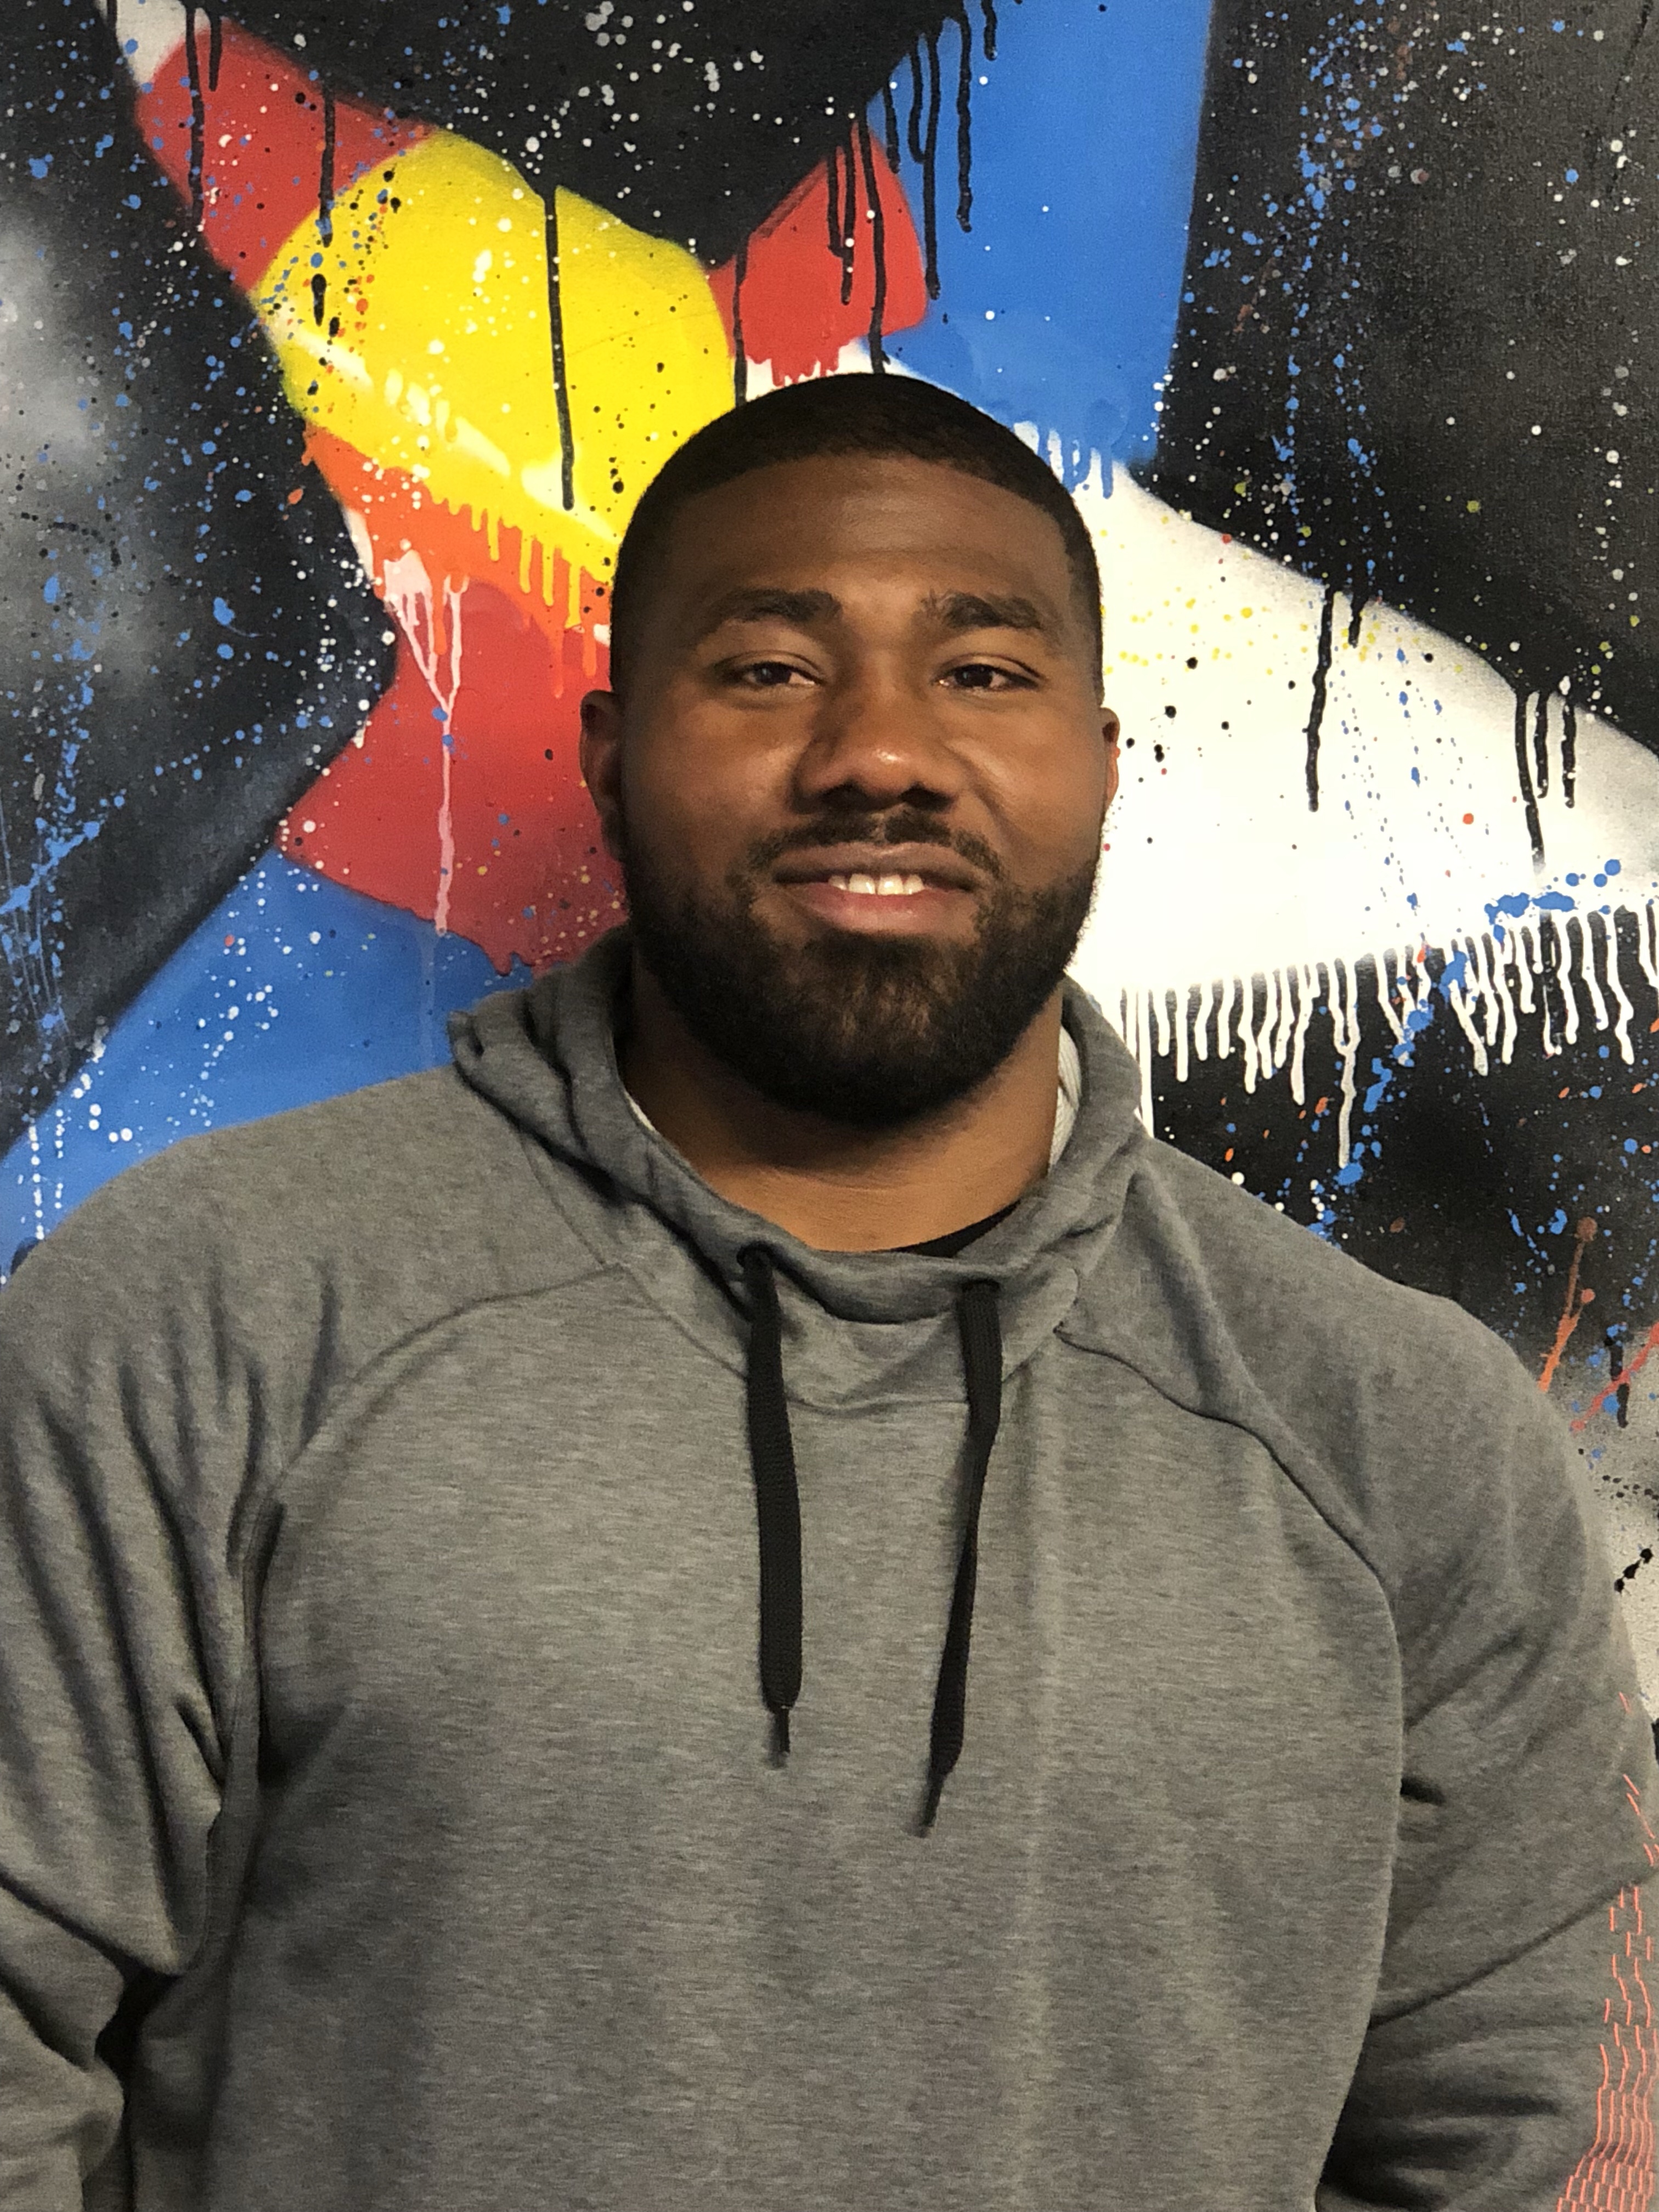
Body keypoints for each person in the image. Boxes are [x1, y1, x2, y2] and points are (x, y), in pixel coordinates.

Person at [0, 374, 1652, 2212]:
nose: (880, 752)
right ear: (614, 754)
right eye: (770, 669)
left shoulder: (1399, 1435)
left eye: (985, 672)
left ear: (1103, 763)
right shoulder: (201, 1317)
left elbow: (1506, 2139)